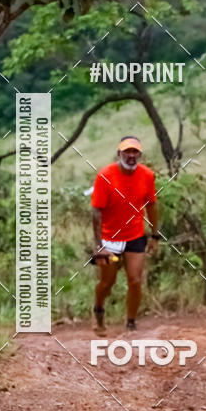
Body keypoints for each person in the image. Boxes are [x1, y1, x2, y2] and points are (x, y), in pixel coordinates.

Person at [91, 136, 159, 333]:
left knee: (135, 280)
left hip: (135, 235)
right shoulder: (105, 176)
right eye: (127, 152)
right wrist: (99, 245)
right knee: (107, 282)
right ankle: (98, 311)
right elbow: (96, 211)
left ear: (139, 154)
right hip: (109, 238)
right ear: (119, 153)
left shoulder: (147, 175)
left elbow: (152, 205)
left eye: (135, 152)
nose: (131, 156)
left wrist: (155, 235)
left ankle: (131, 322)